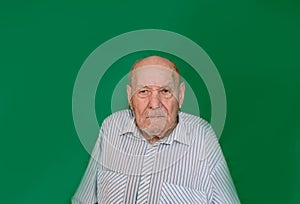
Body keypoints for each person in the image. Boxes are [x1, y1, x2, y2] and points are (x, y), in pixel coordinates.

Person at [72, 56, 240, 203]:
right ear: (130, 96)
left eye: (165, 91)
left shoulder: (202, 136)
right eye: (144, 91)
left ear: (180, 95)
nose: (154, 104)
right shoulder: (111, 128)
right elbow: (83, 200)